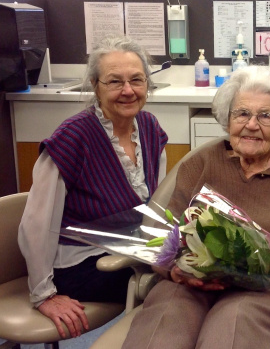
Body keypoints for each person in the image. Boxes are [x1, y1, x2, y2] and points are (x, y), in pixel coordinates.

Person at [123, 66, 270, 349]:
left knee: (231, 329)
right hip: (190, 284)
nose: (252, 124)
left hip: (266, 291)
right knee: (164, 325)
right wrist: (174, 270)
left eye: (265, 116)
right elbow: (165, 234)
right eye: (242, 114)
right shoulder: (199, 164)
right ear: (227, 120)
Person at [18, 35, 168, 339]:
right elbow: (36, 224)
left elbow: (158, 208)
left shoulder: (150, 128)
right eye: (115, 82)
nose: (128, 91)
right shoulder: (72, 139)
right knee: (174, 285)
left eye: (137, 80)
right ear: (95, 86)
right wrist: (43, 294)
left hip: (128, 250)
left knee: (195, 273)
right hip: (80, 264)